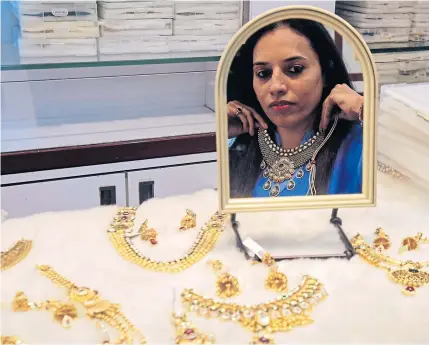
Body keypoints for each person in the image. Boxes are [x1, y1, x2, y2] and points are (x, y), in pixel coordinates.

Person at [227, 18, 364, 198]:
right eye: (263, 73)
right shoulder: (238, 143)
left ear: (325, 74)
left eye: (295, 69)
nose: (275, 87)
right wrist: (219, 133)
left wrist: (366, 109)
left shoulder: (360, 145)